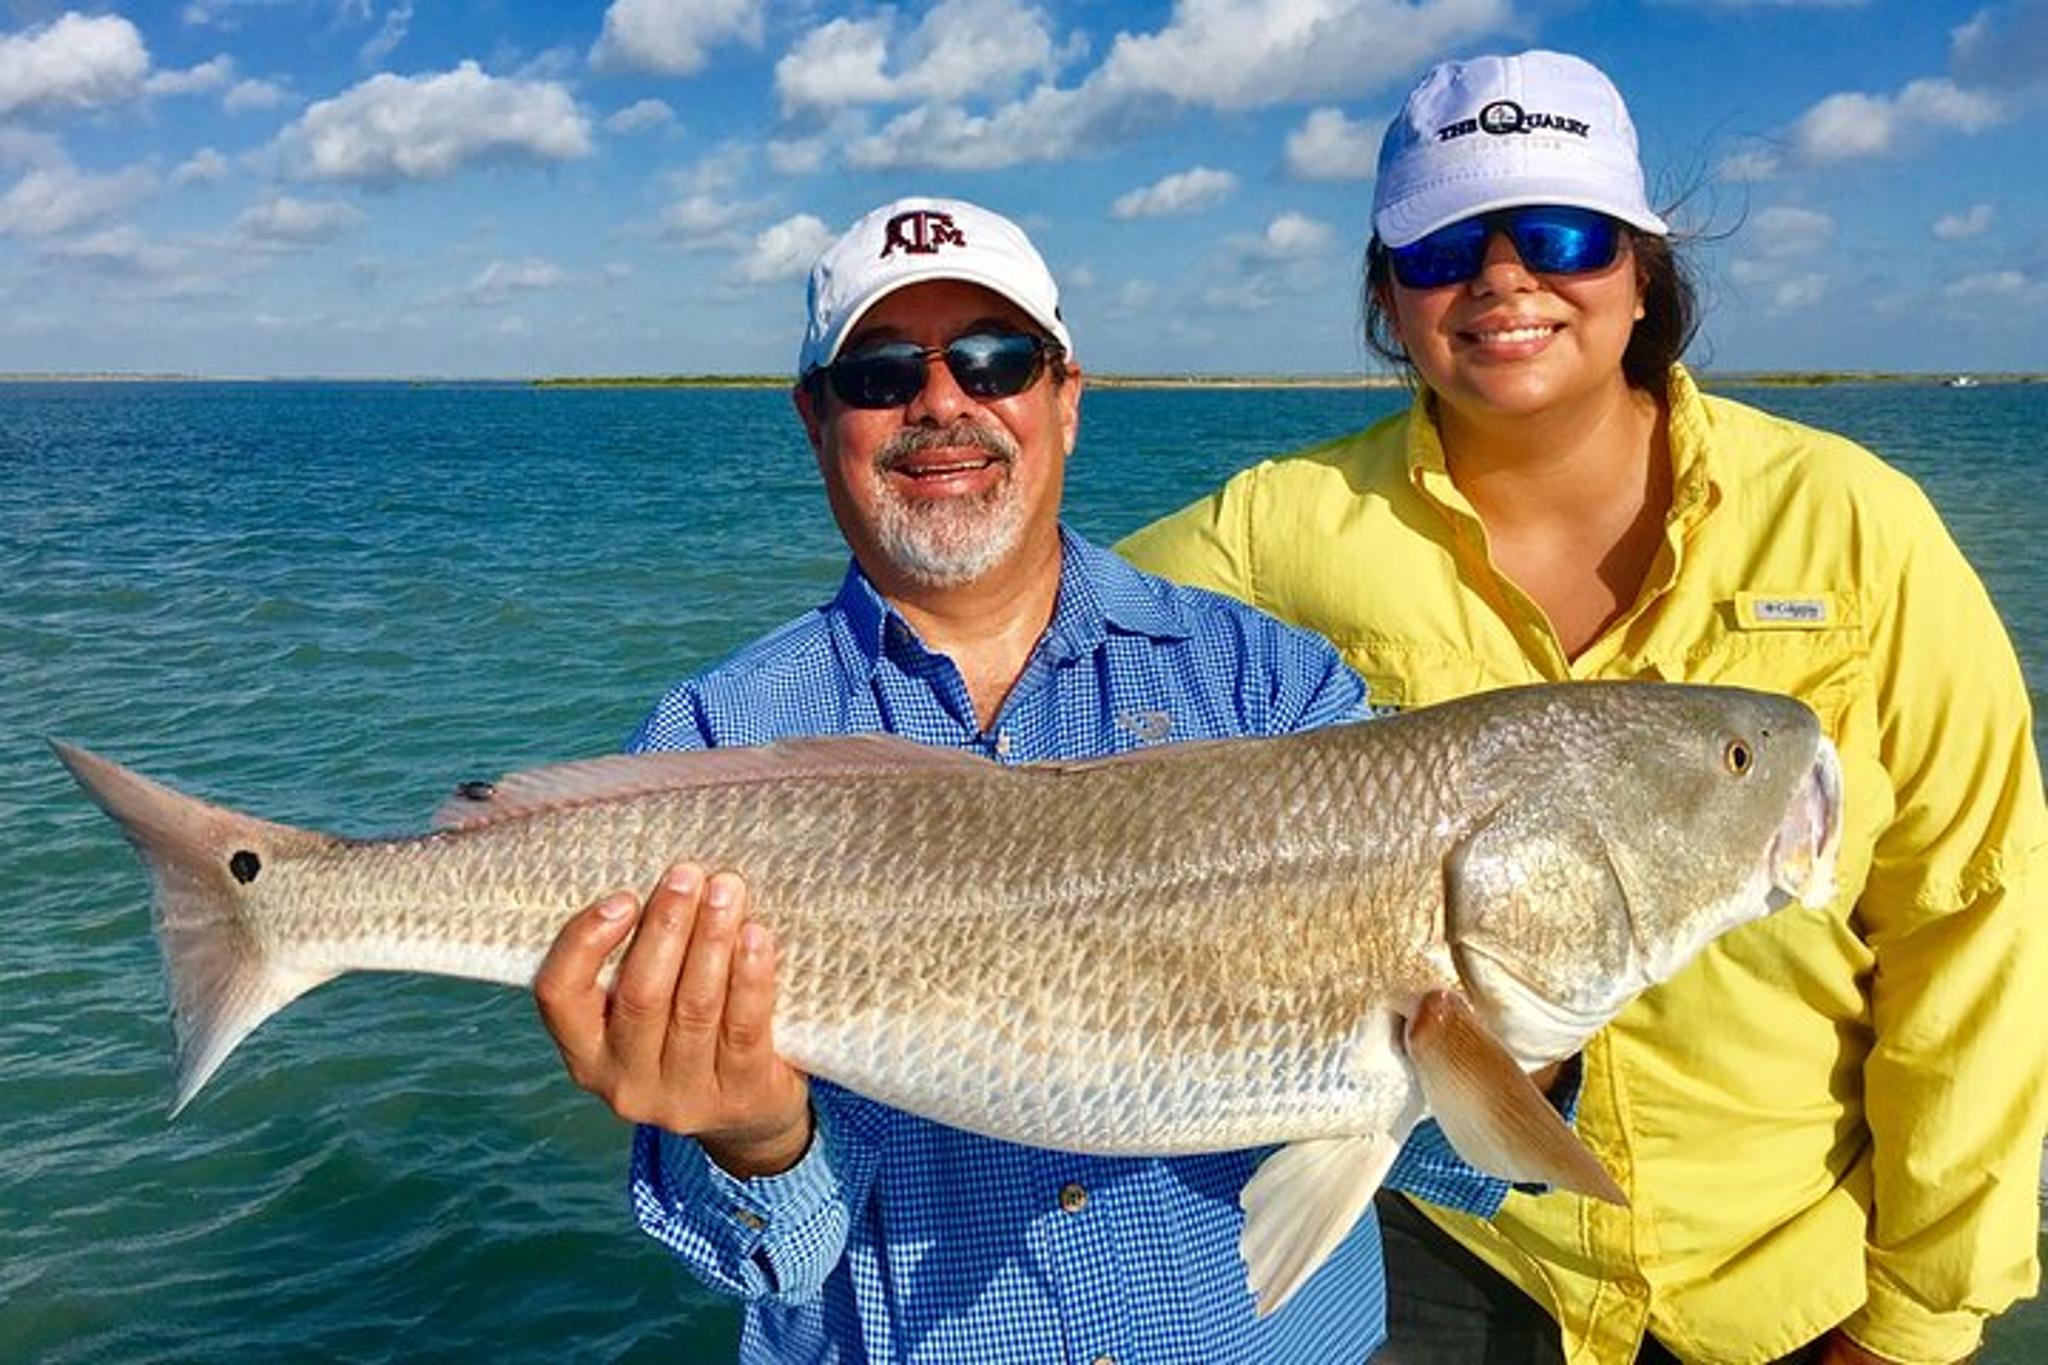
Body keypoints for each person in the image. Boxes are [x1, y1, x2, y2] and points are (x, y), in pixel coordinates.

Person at [1121, 49, 2047, 1365]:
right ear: (1390, 289)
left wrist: (1916, 1321)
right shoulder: (1276, 532)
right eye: (1445, 245)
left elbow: (1979, 930)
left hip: (1791, 1275)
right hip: (1456, 1260)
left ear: (1640, 270)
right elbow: (1027, 631)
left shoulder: (1860, 531)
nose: (1505, 277)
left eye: (1561, 233)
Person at [530, 196, 1527, 1363]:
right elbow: (768, 1262)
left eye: (999, 360)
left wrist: (1513, 1020)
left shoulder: (1275, 689)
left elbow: (1445, 1152)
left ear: (1065, 400)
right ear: (813, 419)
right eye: (879, 372)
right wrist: (752, 1137)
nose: (942, 402)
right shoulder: (710, 739)